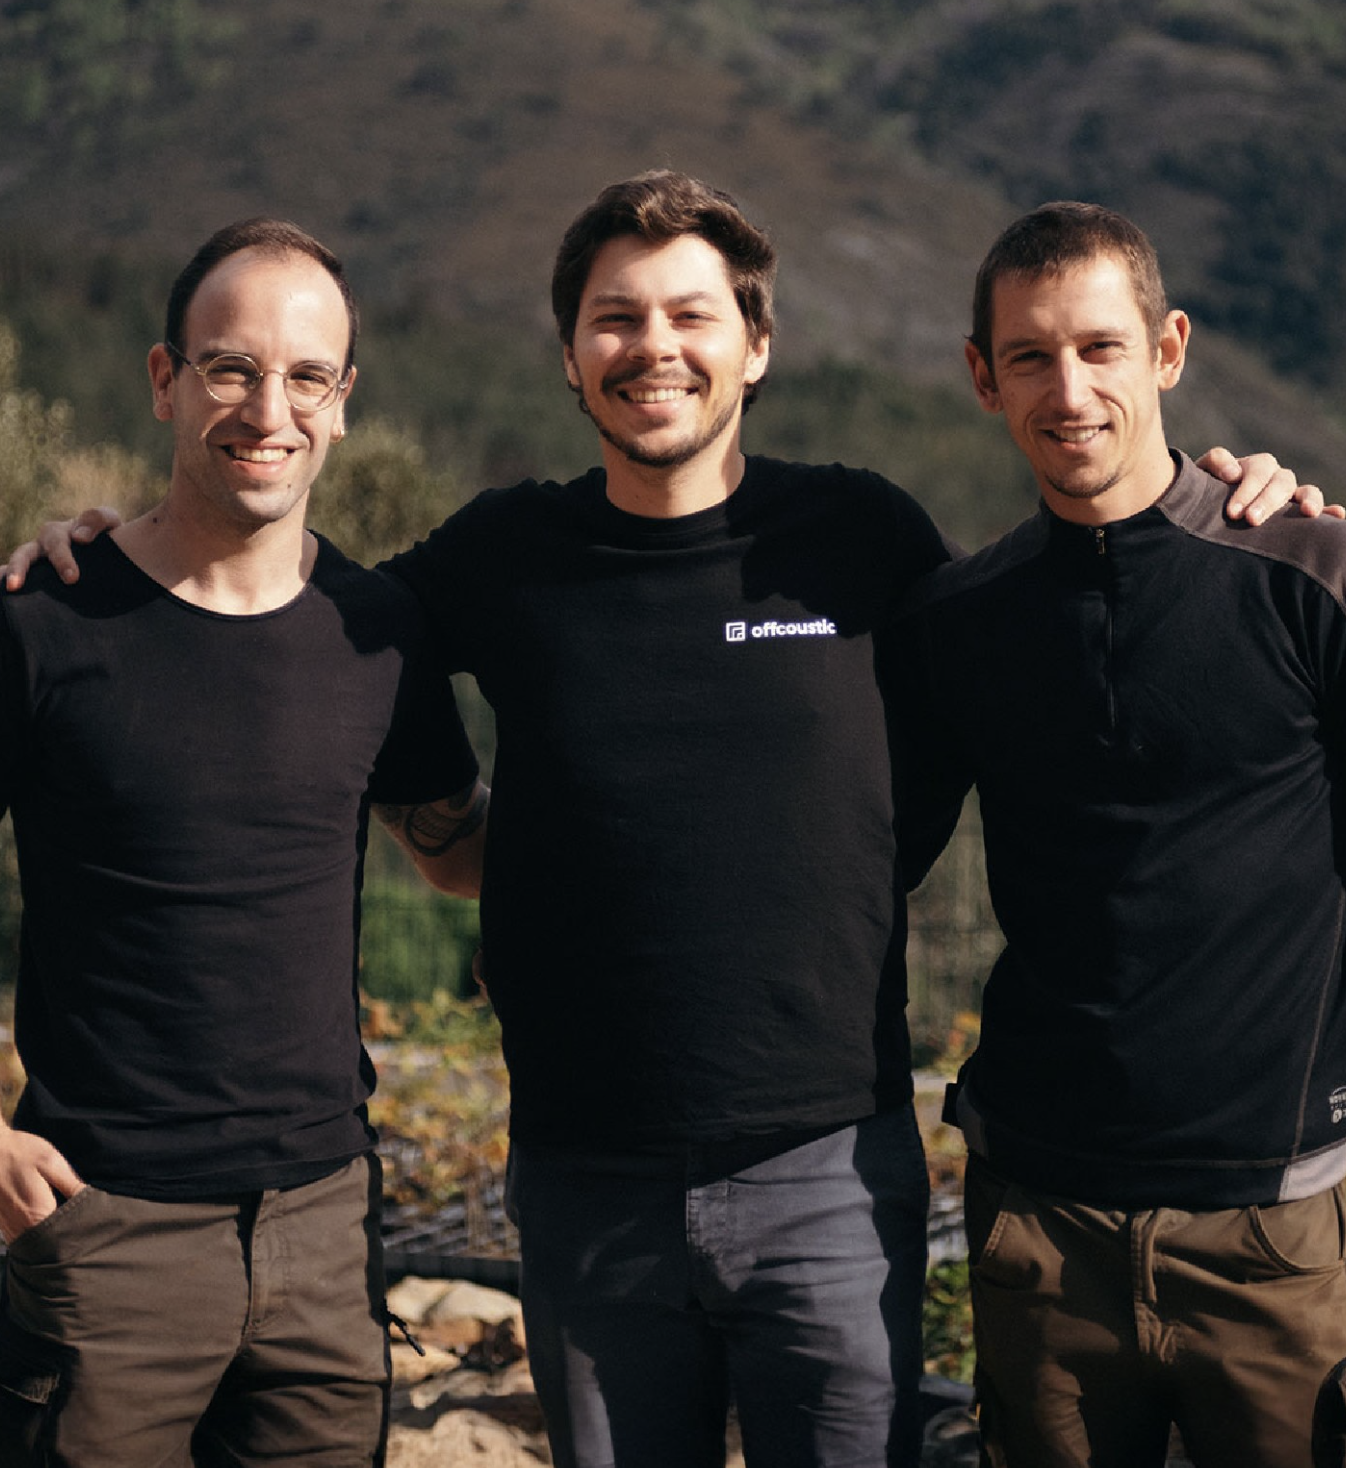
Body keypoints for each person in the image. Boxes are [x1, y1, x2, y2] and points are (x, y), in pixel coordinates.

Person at [4, 174, 1324, 1468]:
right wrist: (110, 556)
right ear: (572, 357)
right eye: (615, 319)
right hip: (587, 1179)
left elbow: (1067, 601)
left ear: (755, 347)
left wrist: (1217, 500)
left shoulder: (860, 536)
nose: (654, 349)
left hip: (828, 1170)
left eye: (691, 316)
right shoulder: (497, 555)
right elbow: (279, 602)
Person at [0, 218, 487, 1468]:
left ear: (341, 402)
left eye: (305, 376)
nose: (267, 408)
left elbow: (452, 848)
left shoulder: (376, 630)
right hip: (100, 1234)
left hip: (327, 1229)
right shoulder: (44, 625)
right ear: (165, 380)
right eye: (229, 367)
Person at [897, 200, 1346, 1468]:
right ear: (982, 378)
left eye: (1099, 347)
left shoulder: (1308, 577)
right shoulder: (959, 621)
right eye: (1029, 356)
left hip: (1277, 1227)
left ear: (1168, 350)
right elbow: (852, 862)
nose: (1069, 388)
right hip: (1039, 1228)